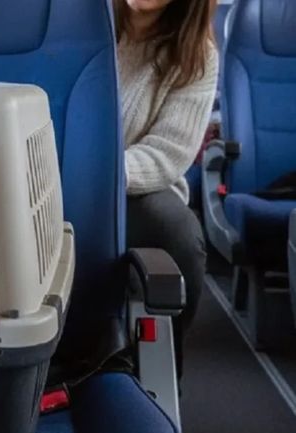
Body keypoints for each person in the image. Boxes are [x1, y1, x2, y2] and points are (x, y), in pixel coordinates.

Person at [115, 0, 219, 378]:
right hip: (44, 176)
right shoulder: (73, 24)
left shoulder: (196, 57)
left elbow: (165, 153)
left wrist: (94, 174)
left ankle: (164, 376)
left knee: (177, 232)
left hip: (132, 190)